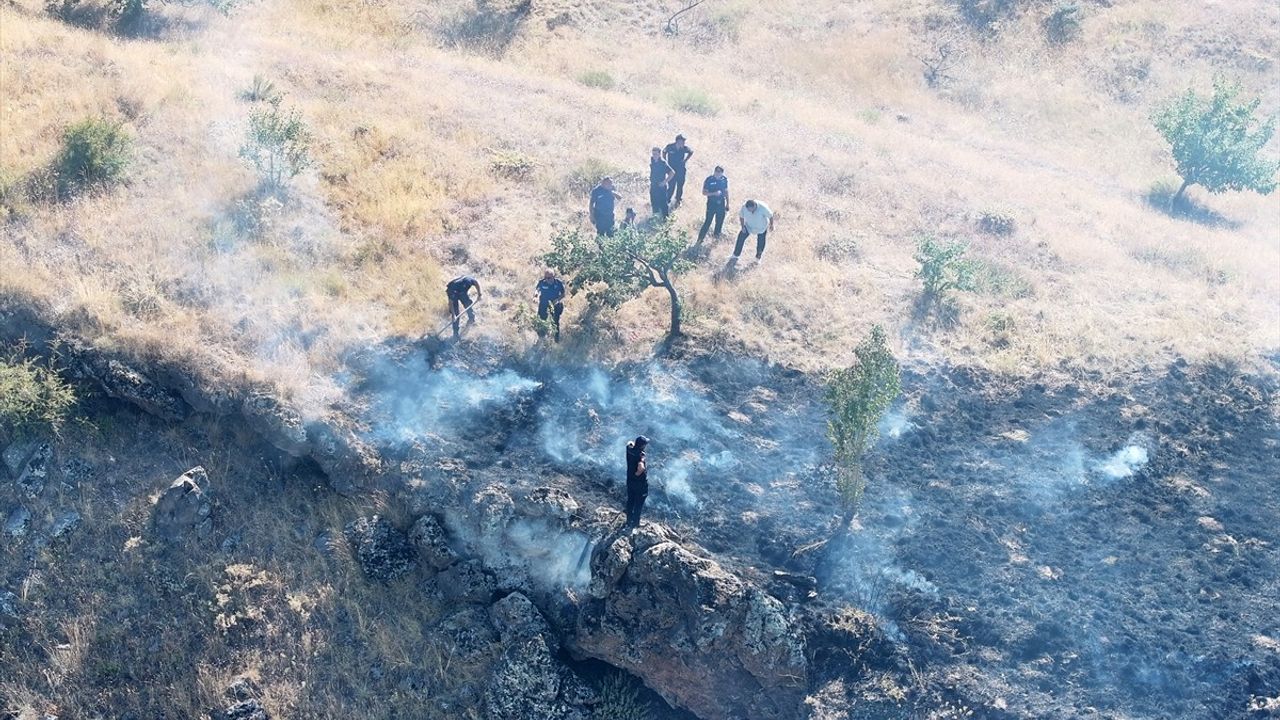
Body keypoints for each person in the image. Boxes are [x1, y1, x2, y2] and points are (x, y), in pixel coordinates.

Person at [697, 165, 729, 242]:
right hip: (711, 203)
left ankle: (715, 238)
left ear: (722, 173)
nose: (717, 173)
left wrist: (728, 203)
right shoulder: (709, 180)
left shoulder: (724, 180)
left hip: (721, 203)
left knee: (719, 221)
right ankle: (700, 239)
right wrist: (714, 193)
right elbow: (704, 192)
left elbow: (726, 191)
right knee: (708, 221)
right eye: (716, 171)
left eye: (719, 172)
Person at [624, 436, 649, 529]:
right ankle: (635, 524)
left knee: (630, 500)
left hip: (630, 481)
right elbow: (641, 468)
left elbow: (629, 443)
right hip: (640, 484)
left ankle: (628, 520)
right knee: (638, 503)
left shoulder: (629, 449)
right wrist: (638, 472)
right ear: (642, 446)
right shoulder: (640, 456)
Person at [663, 134, 694, 208]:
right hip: (672, 170)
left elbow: (691, 152)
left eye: (684, 141)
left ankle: (678, 200)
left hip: (681, 170)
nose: (683, 142)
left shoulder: (684, 148)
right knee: (671, 186)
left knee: (680, 185)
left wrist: (685, 160)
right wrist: (665, 161)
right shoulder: (670, 146)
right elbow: (664, 152)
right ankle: (667, 200)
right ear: (678, 141)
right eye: (682, 141)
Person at [535, 269, 566, 342]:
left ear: (553, 277)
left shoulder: (558, 283)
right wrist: (535, 296)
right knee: (541, 321)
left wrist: (558, 299)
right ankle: (541, 339)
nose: (547, 279)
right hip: (543, 304)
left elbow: (563, 294)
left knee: (555, 323)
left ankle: (556, 341)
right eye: (545, 277)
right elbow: (537, 289)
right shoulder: (542, 282)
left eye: (548, 278)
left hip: (554, 305)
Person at [648, 147, 674, 219]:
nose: (654, 155)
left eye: (656, 154)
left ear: (659, 154)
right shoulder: (652, 160)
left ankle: (666, 220)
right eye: (653, 154)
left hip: (661, 187)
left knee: (663, 205)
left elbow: (672, 172)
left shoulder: (663, 163)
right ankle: (656, 219)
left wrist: (664, 182)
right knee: (654, 204)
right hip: (653, 186)